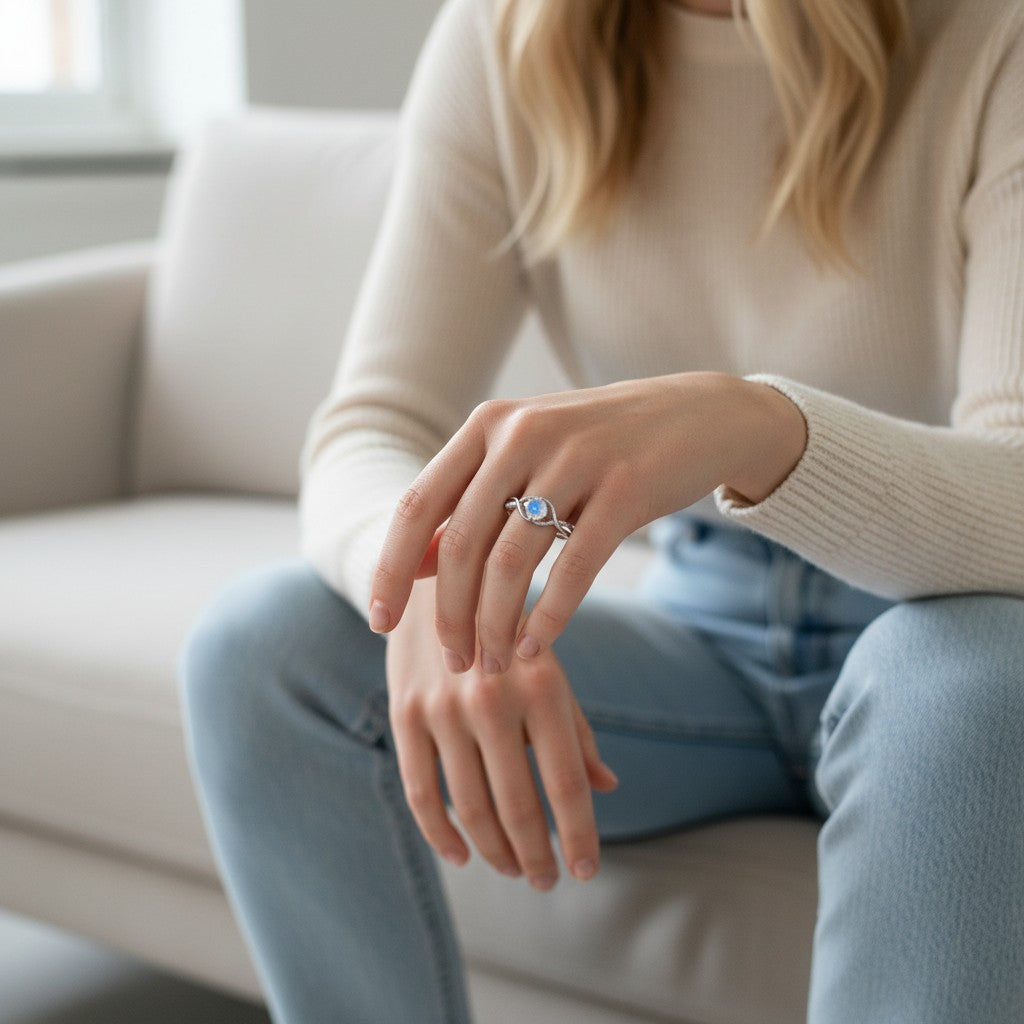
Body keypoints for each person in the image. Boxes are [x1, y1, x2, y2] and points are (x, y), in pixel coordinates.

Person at [179, 0, 1024, 1020]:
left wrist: (758, 426)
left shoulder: (991, 34)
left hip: (952, 630)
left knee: (973, 688)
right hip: (705, 633)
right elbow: (369, 423)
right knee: (264, 652)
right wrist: (421, 587)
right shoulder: (504, 41)